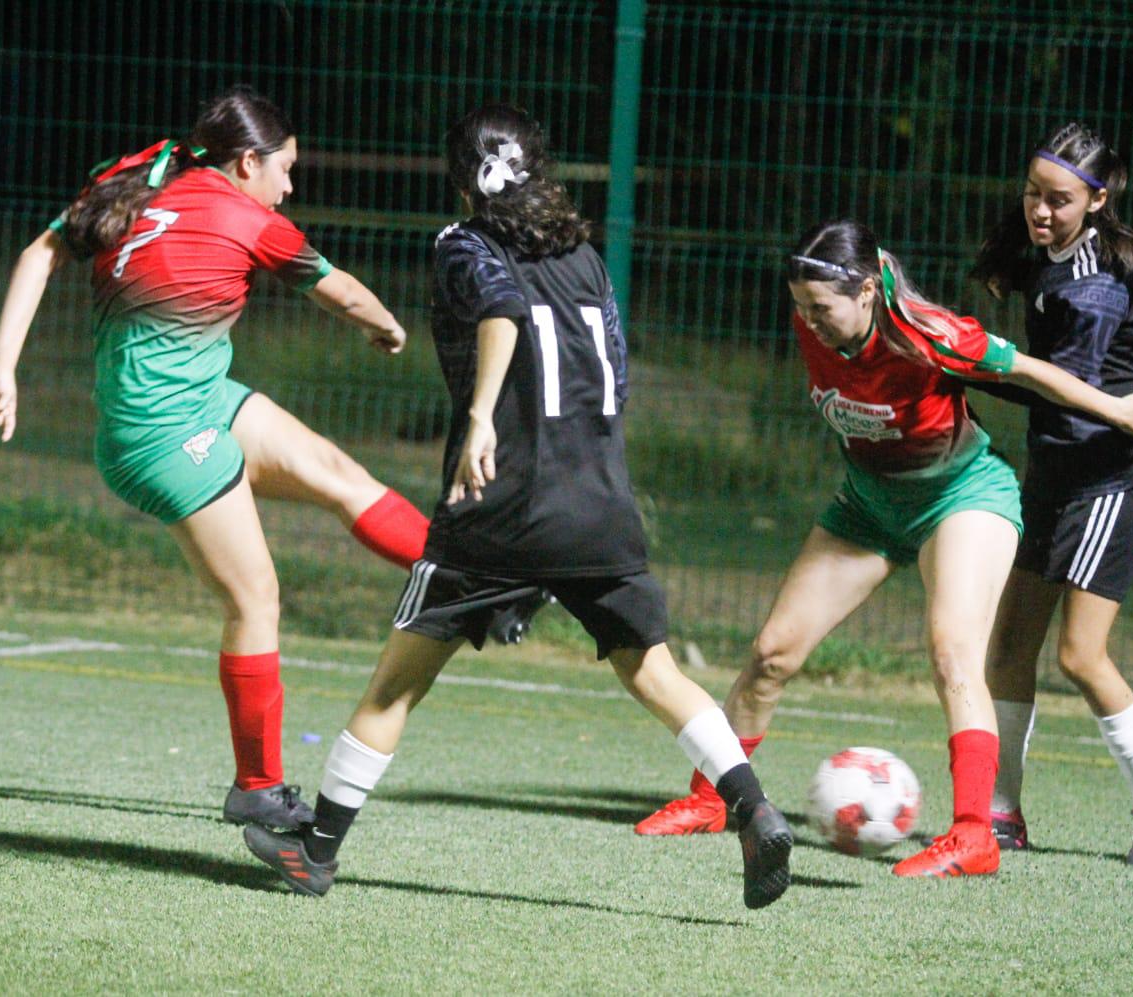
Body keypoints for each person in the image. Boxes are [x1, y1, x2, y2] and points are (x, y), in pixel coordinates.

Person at [242, 104, 793, 908]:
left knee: (396, 684)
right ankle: (753, 805)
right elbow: (615, 369)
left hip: (499, 506)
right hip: (600, 500)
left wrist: (476, 420)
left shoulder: (462, 244)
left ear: (465, 179)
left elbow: (500, 314)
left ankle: (315, 851)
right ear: (541, 170)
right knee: (655, 671)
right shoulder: (588, 258)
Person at [633, 218, 1133, 878]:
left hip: (963, 494)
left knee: (955, 651)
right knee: (773, 652)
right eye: (799, 305)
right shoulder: (818, 315)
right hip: (870, 502)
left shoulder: (931, 336)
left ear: (866, 292)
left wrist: (1117, 410)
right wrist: (813, 312)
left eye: (822, 308)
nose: (808, 320)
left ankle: (976, 834)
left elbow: (1034, 371)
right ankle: (713, 800)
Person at [0, 86, 431, 832]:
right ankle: (257, 787)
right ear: (247, 162)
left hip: (201, 398)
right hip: (160, 434)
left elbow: (40, 251)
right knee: (255, 600)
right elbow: (341, 294)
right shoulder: (248, 217)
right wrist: (391, 328)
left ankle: (462, 576)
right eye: (284, 170)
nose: (289, 187)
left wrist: (3, 364)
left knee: (339, 475)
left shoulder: (147, 171)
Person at [972, 123, 1133, 867]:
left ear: (1096, 200)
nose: (1040, 209)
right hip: (1057, 474)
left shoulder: (1094, 287)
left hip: (1112, 477)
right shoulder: (1047, 251)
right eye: (1032, 193)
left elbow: (1061, 392)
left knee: (1080, 652)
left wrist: (958, 362)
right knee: (1007, 645)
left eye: (1058, 200)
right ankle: (1001, 812)